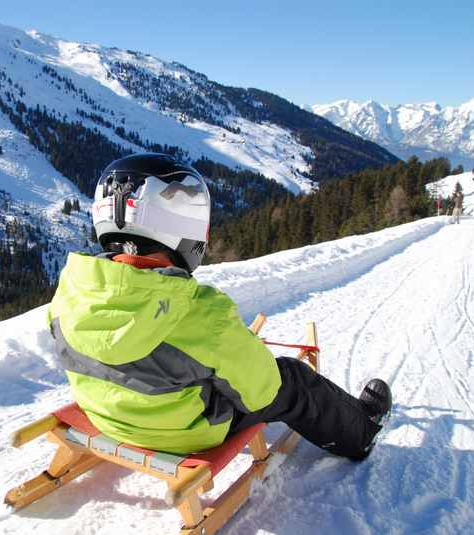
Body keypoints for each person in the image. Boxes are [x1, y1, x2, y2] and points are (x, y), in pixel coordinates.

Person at [47, 153, 392, 461]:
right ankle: (360, 432)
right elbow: (262, 390)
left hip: (107, 417)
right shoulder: (201, 312)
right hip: (189, 433)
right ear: (176, 225)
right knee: (291, 380)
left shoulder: (70, 291)